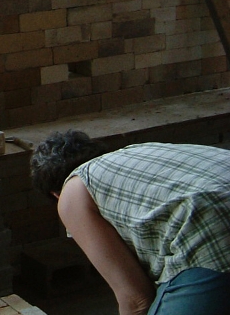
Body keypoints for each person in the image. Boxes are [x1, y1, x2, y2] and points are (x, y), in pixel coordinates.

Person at [30, 130, 230, 315]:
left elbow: (137, 300)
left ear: (55, 194)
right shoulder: (137, 153)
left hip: (212, 227)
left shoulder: (72, 191)